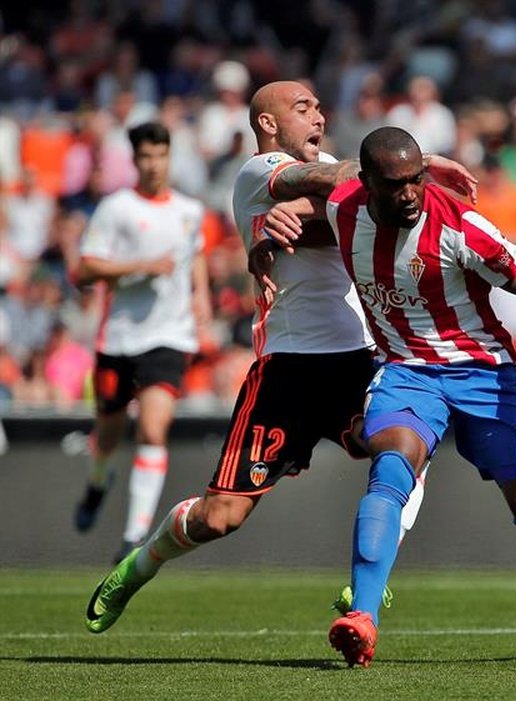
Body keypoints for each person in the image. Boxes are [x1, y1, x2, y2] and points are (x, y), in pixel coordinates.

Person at [82, 81, 477, 635]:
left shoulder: (347, 175)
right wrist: (420, 165)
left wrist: (305, 216)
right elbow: (328, 187)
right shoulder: (257, 172)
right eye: (303, 108)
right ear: (268, 125)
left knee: (407, 443)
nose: (318, 115)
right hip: (287, 369)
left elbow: (362, 214)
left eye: (318, 105)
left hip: (359, 359)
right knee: (222, 517)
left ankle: (369, 578)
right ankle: (139, 564)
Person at [321, 126, 516, 666]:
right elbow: (287, 196)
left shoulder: (460, 226)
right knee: (391, 464)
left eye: (417, 179)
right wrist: (270, 237)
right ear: (366, 183)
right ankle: (362, 617)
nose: (410, 193)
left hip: (483, 370)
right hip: (405, 369)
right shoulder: (341, 206)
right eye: (396, 185)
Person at [73, 122, 211, 564]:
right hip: (119, 337)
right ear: (134, 161)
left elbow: (196, 254)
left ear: (170, 157)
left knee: (153, 429)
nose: (153, 165)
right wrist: (140, 266)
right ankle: (98, 481)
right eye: (145, 157)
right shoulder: (117, 208)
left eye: (160, 155)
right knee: (109, 434)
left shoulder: (189, 210)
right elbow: (84, 271)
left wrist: (202, 296)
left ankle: (134, 537)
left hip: (169, 336)